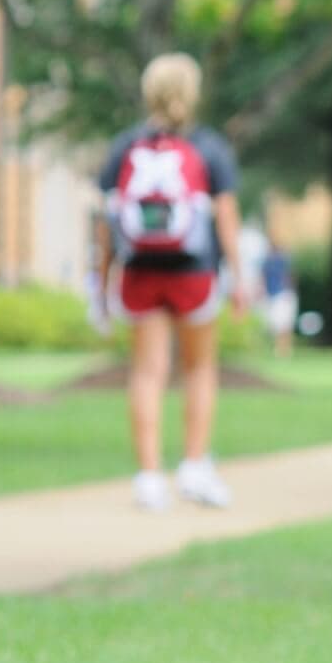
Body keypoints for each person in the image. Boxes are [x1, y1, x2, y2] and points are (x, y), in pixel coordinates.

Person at [92, 54, 246, 511]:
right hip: (193, 273)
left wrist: (102, 280)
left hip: (140, 272)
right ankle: (194, 466)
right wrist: (239, 276)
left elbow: (106, 222)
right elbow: (226, 217)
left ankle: (149, 476)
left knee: (147, 372)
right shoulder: (208, 147)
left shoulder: (126, 146)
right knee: (198, 368)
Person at [260, 236, 298, 359]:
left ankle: (284, 348)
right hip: (275, 294)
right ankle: (282, 348)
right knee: (279, 323)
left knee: (284, 323)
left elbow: (289, 276)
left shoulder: (280, 260)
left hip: (281, 294)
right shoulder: (270, 261)